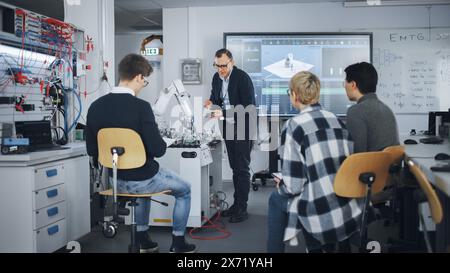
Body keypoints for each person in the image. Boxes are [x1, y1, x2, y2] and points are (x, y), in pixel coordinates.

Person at [86, 53, 196, 253]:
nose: (142, 85)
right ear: (138, 77)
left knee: (142, 189)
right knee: (185, 190)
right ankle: (178, 243)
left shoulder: (95, 107)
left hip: (115, 181)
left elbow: (92, 151)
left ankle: (143, 239)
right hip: (144, 180)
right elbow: (158, 150)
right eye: (144, 81)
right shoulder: (142, 108)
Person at [266, 71, 363, 253]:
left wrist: (282, 184)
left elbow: (294, 187)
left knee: (275, 198)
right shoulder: (338, 121)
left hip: (319, 208)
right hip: (346, 204)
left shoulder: (293, 126)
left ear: (294, 95)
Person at [204, 48, 255, 223]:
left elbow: (248, 107)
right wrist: (211, 102)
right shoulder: (216, 78)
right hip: (228, 128)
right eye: (217, 66)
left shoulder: (242, 78)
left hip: (243, 127)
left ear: (231, 62)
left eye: (223, 66)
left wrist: (223, 113)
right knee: (235, 168)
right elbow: (215, 97)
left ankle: (242, 208)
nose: (220, 69)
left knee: (242, 169)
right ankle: (236, 204)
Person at [344, 62, 399, 153]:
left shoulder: (355, 112)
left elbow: (357, 156)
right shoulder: (387, 109)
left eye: (345, 82)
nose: (344, 86)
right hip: (386, 166)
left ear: (353, 84)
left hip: (368, 166)